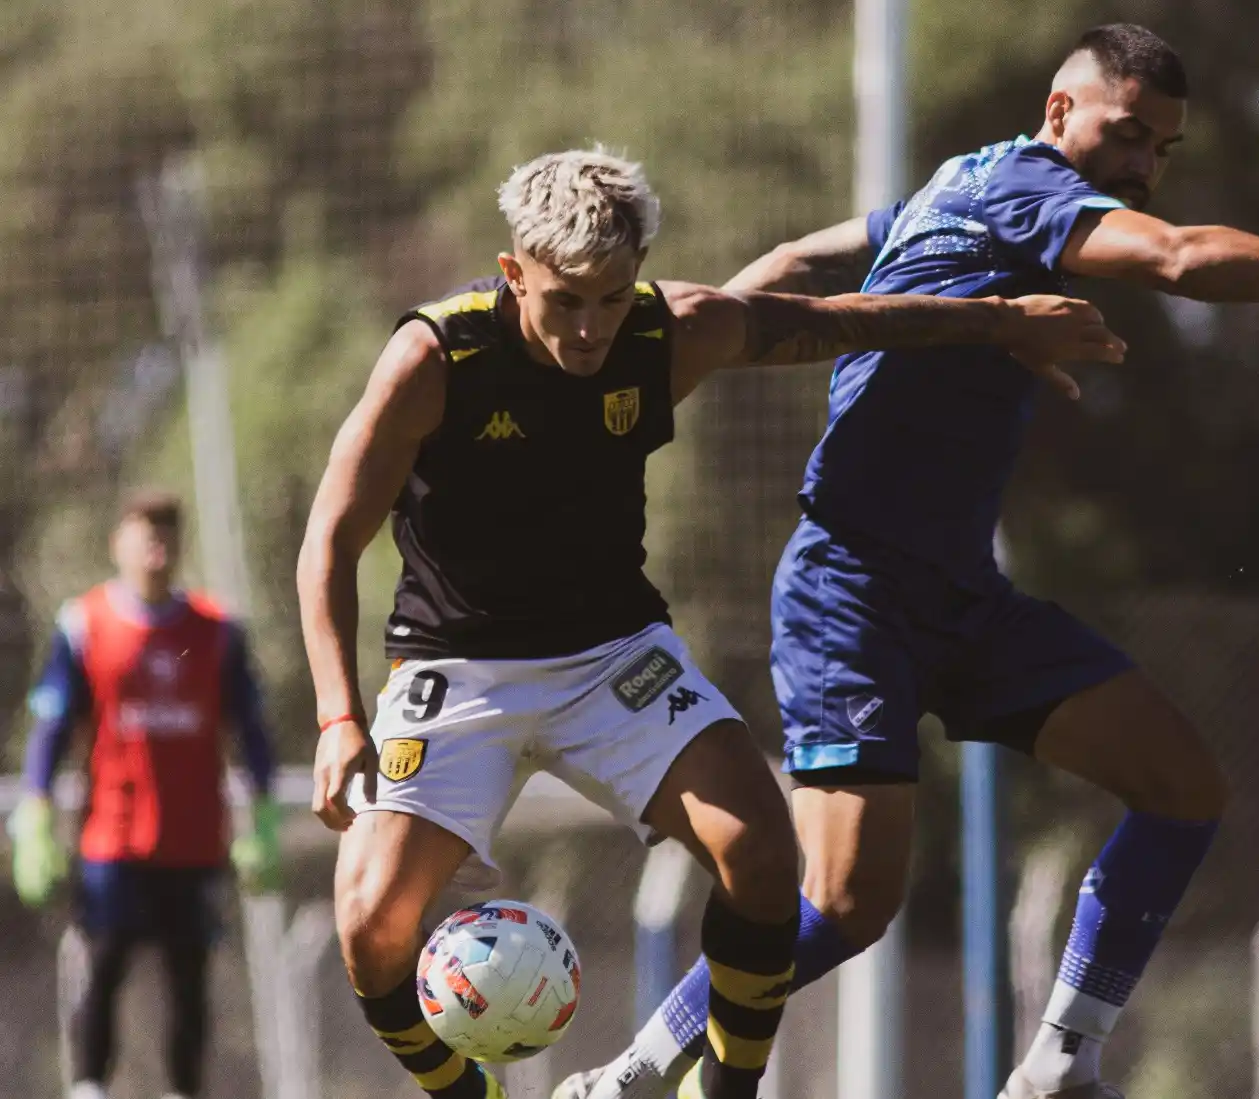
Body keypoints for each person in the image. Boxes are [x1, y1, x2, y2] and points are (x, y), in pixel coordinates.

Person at [560, 23, 1259, 1099]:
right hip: (851, 590)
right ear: (1059, 113)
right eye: (1127, 134)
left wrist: (712, 318)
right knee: (846, 904)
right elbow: (1180, 259)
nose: (1143, 165)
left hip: (959, 597)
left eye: (1161, 149)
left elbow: (810, 256)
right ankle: (633, 1071)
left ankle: (1058, 1063)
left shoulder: (962, 180)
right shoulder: (1027, 187)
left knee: (1181, 785)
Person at [295, 146, 1124, 1099]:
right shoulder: (435, 359)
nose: (590, 327)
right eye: (566, 300)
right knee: (371, 929)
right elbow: (329, 542)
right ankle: (468, 1095)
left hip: (612, 660)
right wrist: (337, 715)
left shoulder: (670, 330)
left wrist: (1000, 321)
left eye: (612, 298)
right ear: (513, 271)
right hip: (456, 671)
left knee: (763, 855)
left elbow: (830, 321)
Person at [8, 489, 281, 1099]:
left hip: (194, 840)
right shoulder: (84, 625)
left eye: (168, 532)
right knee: (102, 966)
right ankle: (88, 1087)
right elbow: (51, 727)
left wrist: (263, 819)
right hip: (114, 839)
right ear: (118, 543)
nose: (157, 544)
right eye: (145, 531)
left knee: (190, 981)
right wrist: (34, 811)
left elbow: (252, 731)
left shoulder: (217, 630)